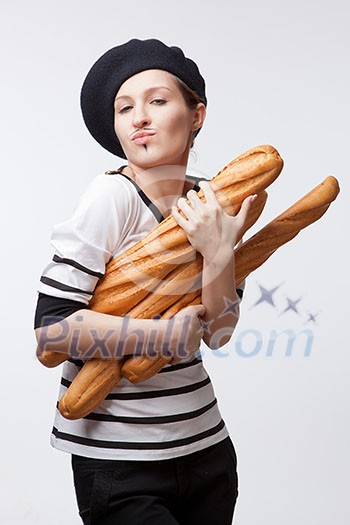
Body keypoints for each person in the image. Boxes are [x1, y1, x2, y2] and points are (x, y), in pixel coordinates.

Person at [34, 38, 255, 525]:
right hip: (120, 463)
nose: (139, 118)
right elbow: (51, 332)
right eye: (124, 108)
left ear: (196, 114)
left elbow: (218, 334)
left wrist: (219, 254)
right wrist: (156, 335)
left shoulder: (209, 198)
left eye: (157, 100)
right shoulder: (112, 197)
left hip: (207, 450)